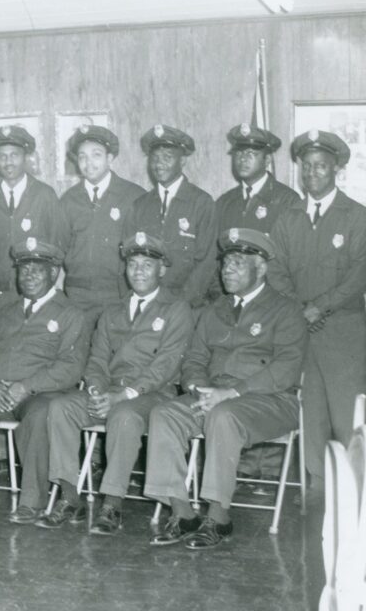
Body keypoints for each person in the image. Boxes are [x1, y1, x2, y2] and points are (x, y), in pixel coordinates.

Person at [145, 229, 307, 549]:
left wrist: (232, 393)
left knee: (223, 416)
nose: (227, 269)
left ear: (260, 267)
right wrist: (197, 387)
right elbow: (194, 358)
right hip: (212, 395)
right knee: (164, 414)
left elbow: (286, 369)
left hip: (271, 400)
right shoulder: (214, 309)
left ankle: (219, 519)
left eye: (237, 262)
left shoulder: (286, 309)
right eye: (225, 262)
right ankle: (183, 513)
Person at [39, 233, 193, 532]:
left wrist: (125, 394)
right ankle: (70, 498)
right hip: (108, 390)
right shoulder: (112, 311)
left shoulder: (176, 308)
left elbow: (167, 364)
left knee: (123, 416)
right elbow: (96, 359)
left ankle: (112, 504)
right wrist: (96, 390)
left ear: (162, 269)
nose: (138, 271)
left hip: (153, 393)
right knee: (61, 406)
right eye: (132, 264)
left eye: (147, 265)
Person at [0, 239, 87, 519]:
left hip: (43, 393)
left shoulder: (70, 313)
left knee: (38, 416)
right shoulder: (5, 313)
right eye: (24, 270)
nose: (29, 276)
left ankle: (32, 502)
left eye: (38, 269)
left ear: (54, 273)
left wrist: (28, 385)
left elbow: (71, 367)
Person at [268, 129, 366, 490]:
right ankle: (316, 493)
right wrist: (298, 309)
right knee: (311, 417)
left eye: (320, 166)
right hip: (300, 331)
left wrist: (319, 307)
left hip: (344, 333)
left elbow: (360, 273)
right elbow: (274, 269)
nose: (312, 173)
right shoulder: (288, 217)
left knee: (348, 419)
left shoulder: (356, 216)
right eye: (306, 166)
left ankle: (357, 499)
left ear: (335, 169)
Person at [212, 123, 301, 485]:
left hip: (275, 306)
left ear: (267, 159)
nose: (244, 158)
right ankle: (238, 469)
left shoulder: (287, 200)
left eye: (253, 152)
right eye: (240, 152)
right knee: (234, 371)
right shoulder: (226, 202)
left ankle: (265, 471)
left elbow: (290, 260)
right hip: (235, 306)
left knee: (262, 378)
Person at [122, 126, 216, 308]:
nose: (159, 164)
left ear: (183, 161)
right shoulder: (140, 205)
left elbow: (206, 263)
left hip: (188, 305)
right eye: (155, 158)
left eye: (167, 157)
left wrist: (182, 305)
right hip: (148, 304)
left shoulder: (201, 202)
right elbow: (130, 260)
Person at [58, 124, 145, 321]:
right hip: (77, 296)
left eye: (96, 155)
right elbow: (57, 251)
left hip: (119, 295)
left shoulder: (134, 196)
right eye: (82, 156)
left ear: (110, 158)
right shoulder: (68, 200)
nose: (88, 163)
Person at [0, 125, 66, 316]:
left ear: (25, 158)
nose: (8, 162)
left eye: (14, 155)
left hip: (37, 294)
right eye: (2, 156)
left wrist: (49, 289)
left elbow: (58, 247)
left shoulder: (45, 195)